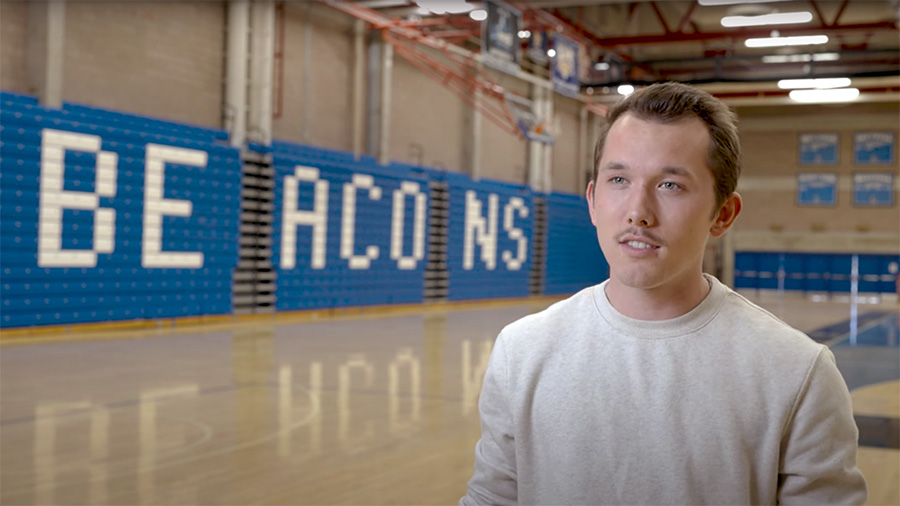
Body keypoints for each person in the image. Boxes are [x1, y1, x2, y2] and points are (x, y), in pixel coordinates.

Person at [460, 82, 866, 505]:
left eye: (670, 185)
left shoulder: (798, 373)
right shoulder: (520, 352)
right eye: (619, 179)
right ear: (593, 200)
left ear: (723, 213)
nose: (638, 212)